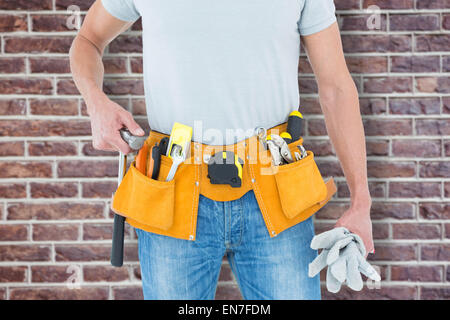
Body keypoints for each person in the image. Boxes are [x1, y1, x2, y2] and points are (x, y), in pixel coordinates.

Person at [70, 0, 374, 300]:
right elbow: (88, 39)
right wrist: (96, 103)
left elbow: (336, 88)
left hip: (276, 194)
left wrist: (361, 203)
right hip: (173, 192)